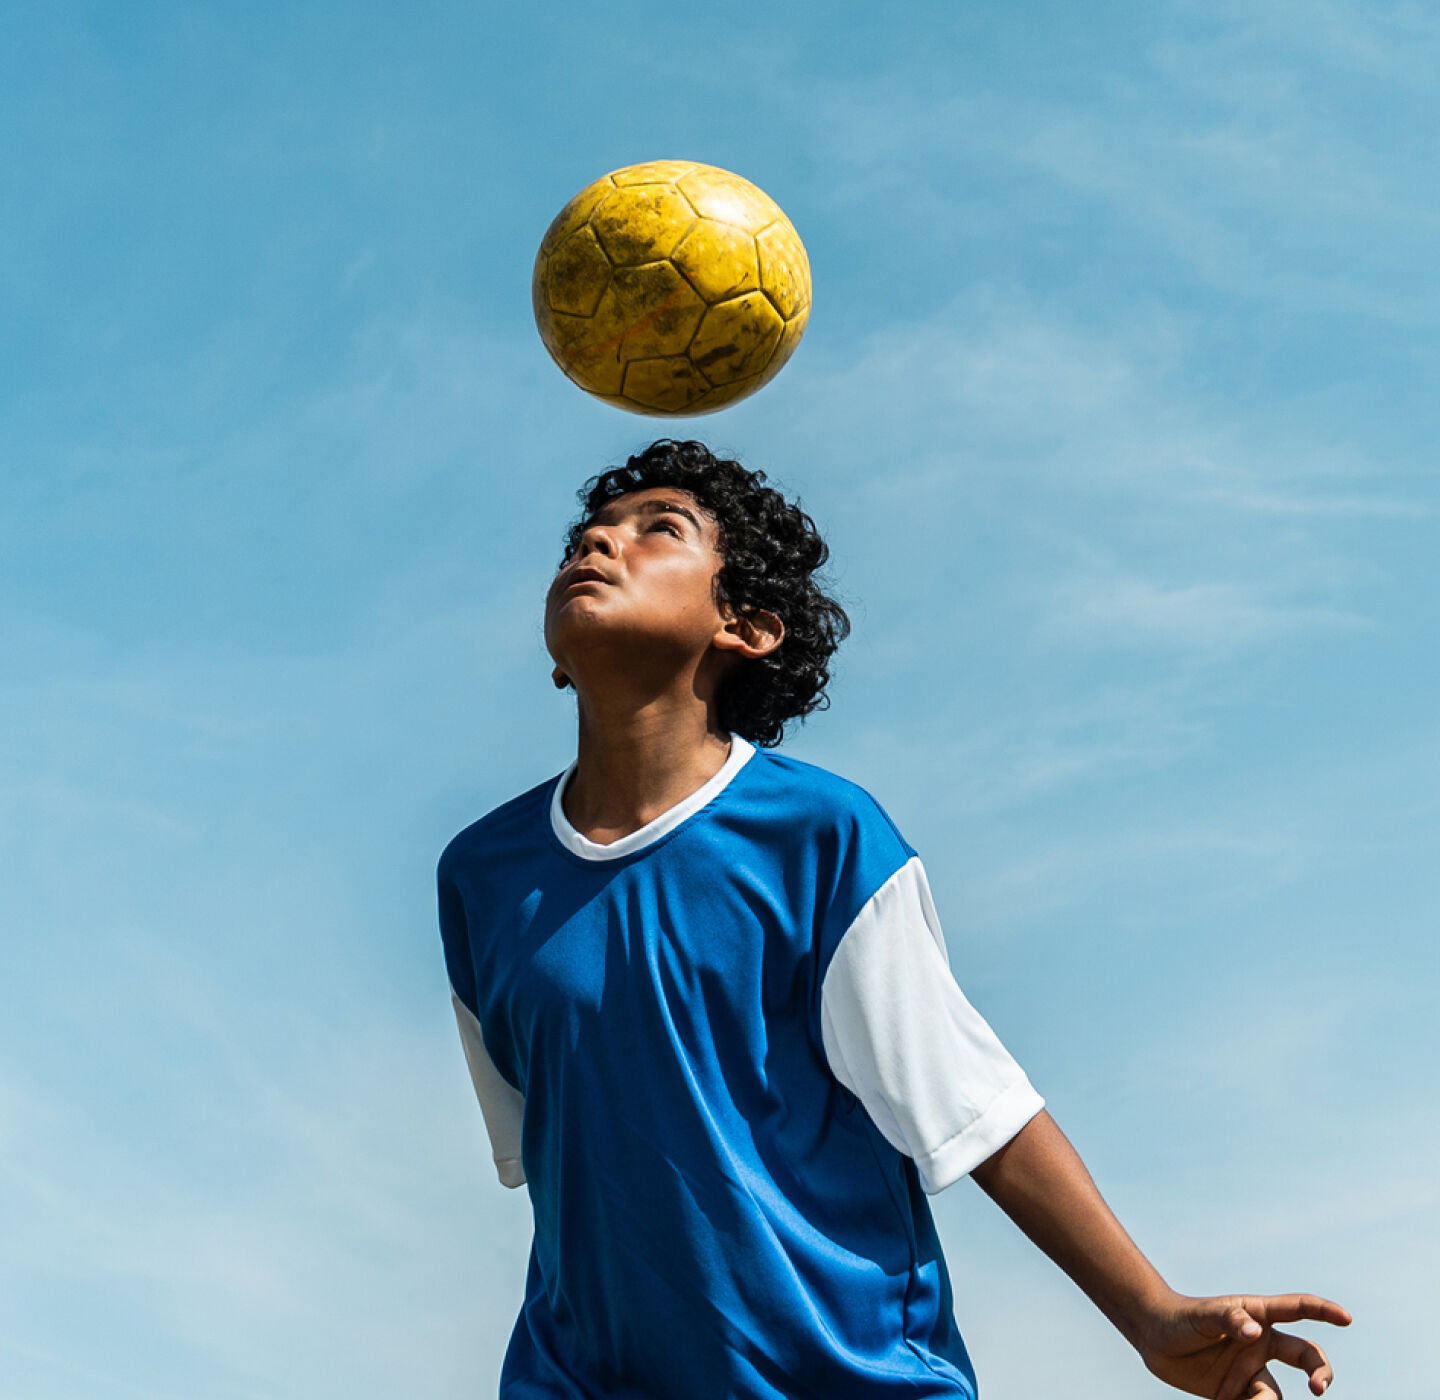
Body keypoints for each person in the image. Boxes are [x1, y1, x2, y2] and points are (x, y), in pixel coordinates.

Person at [437, 439, 1349, 1400]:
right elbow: (561, 1161)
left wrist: (1152, 1316)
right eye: (590, 531)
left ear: (744, 626)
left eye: (658, 529)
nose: (598, 540)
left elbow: (974, 1110)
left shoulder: (821, 836)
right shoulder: (482, 877)